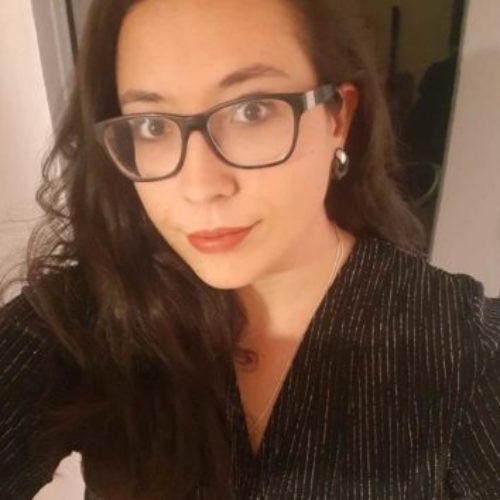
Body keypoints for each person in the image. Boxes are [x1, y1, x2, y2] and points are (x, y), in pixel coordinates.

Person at [0, 0, 499, 499]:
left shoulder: (467, 356)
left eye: (251, 110)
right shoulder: (93, 313)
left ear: (338, 117)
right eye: (152, 125)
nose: (200, 185)